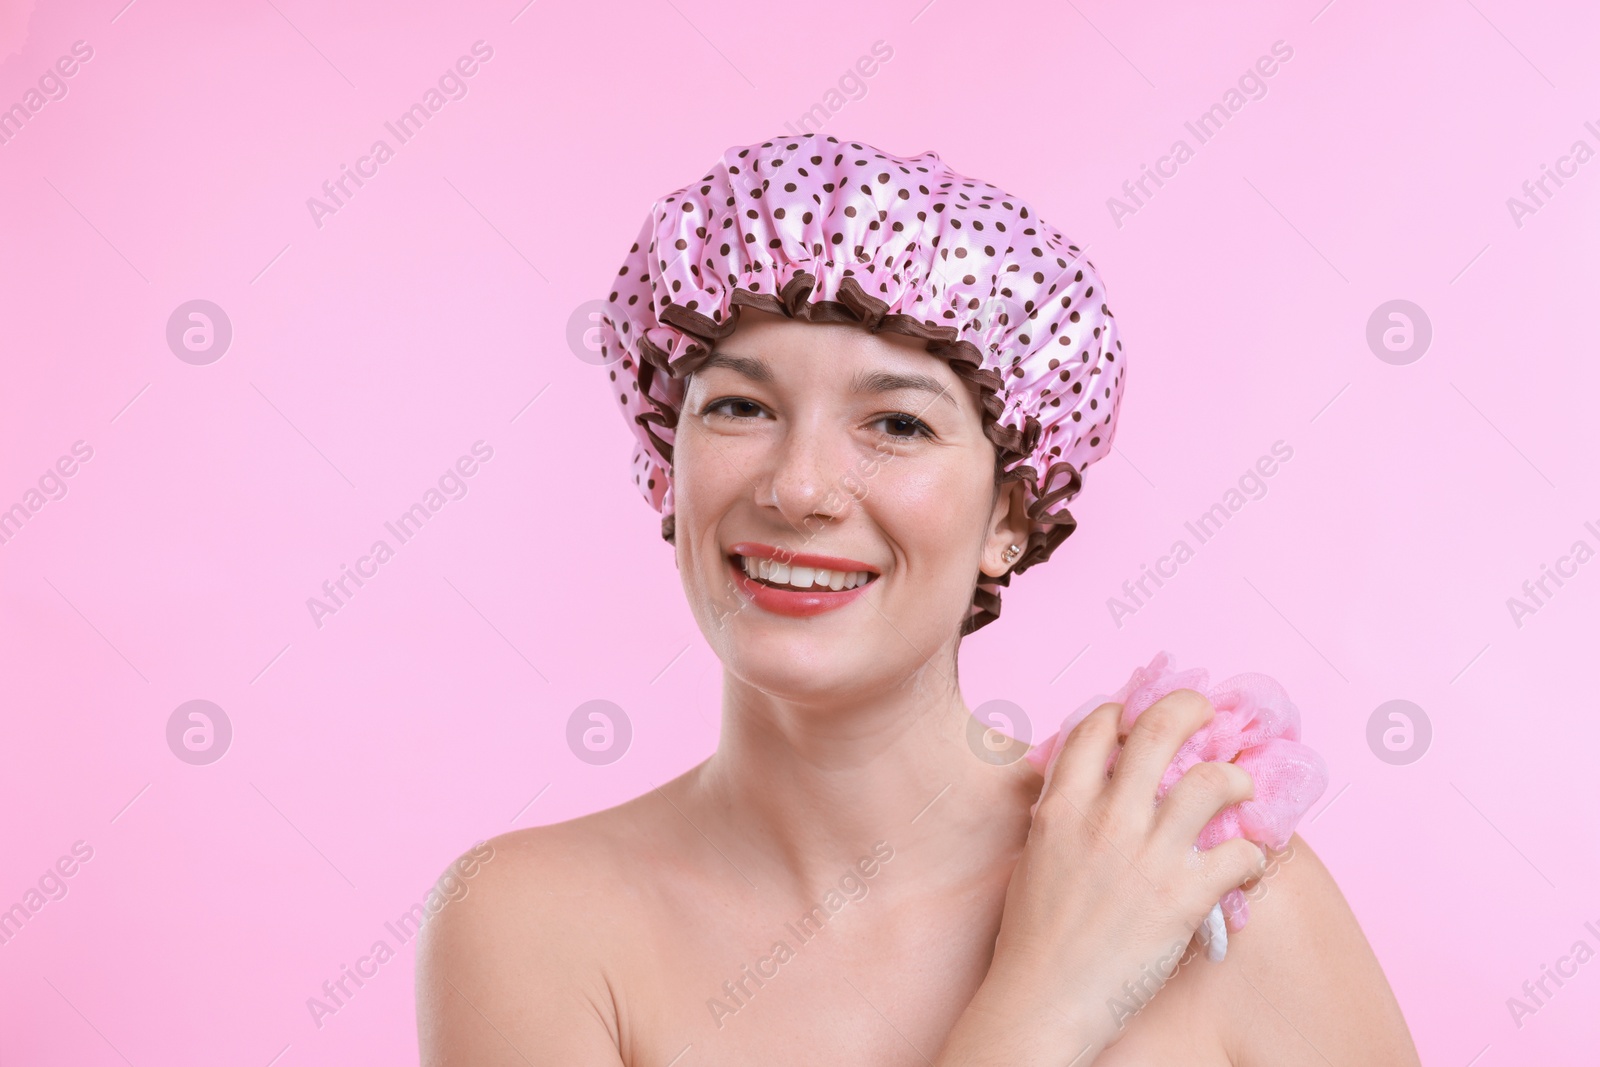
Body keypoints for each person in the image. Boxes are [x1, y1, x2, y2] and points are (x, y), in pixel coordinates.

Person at [415, 134, 1420, 1065]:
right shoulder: (531, 922)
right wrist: (1047, 1004)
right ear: (666, 468)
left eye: (896, 423)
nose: (798, 487)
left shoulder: (1195, 886)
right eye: (738, 406)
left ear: (1009, 514)